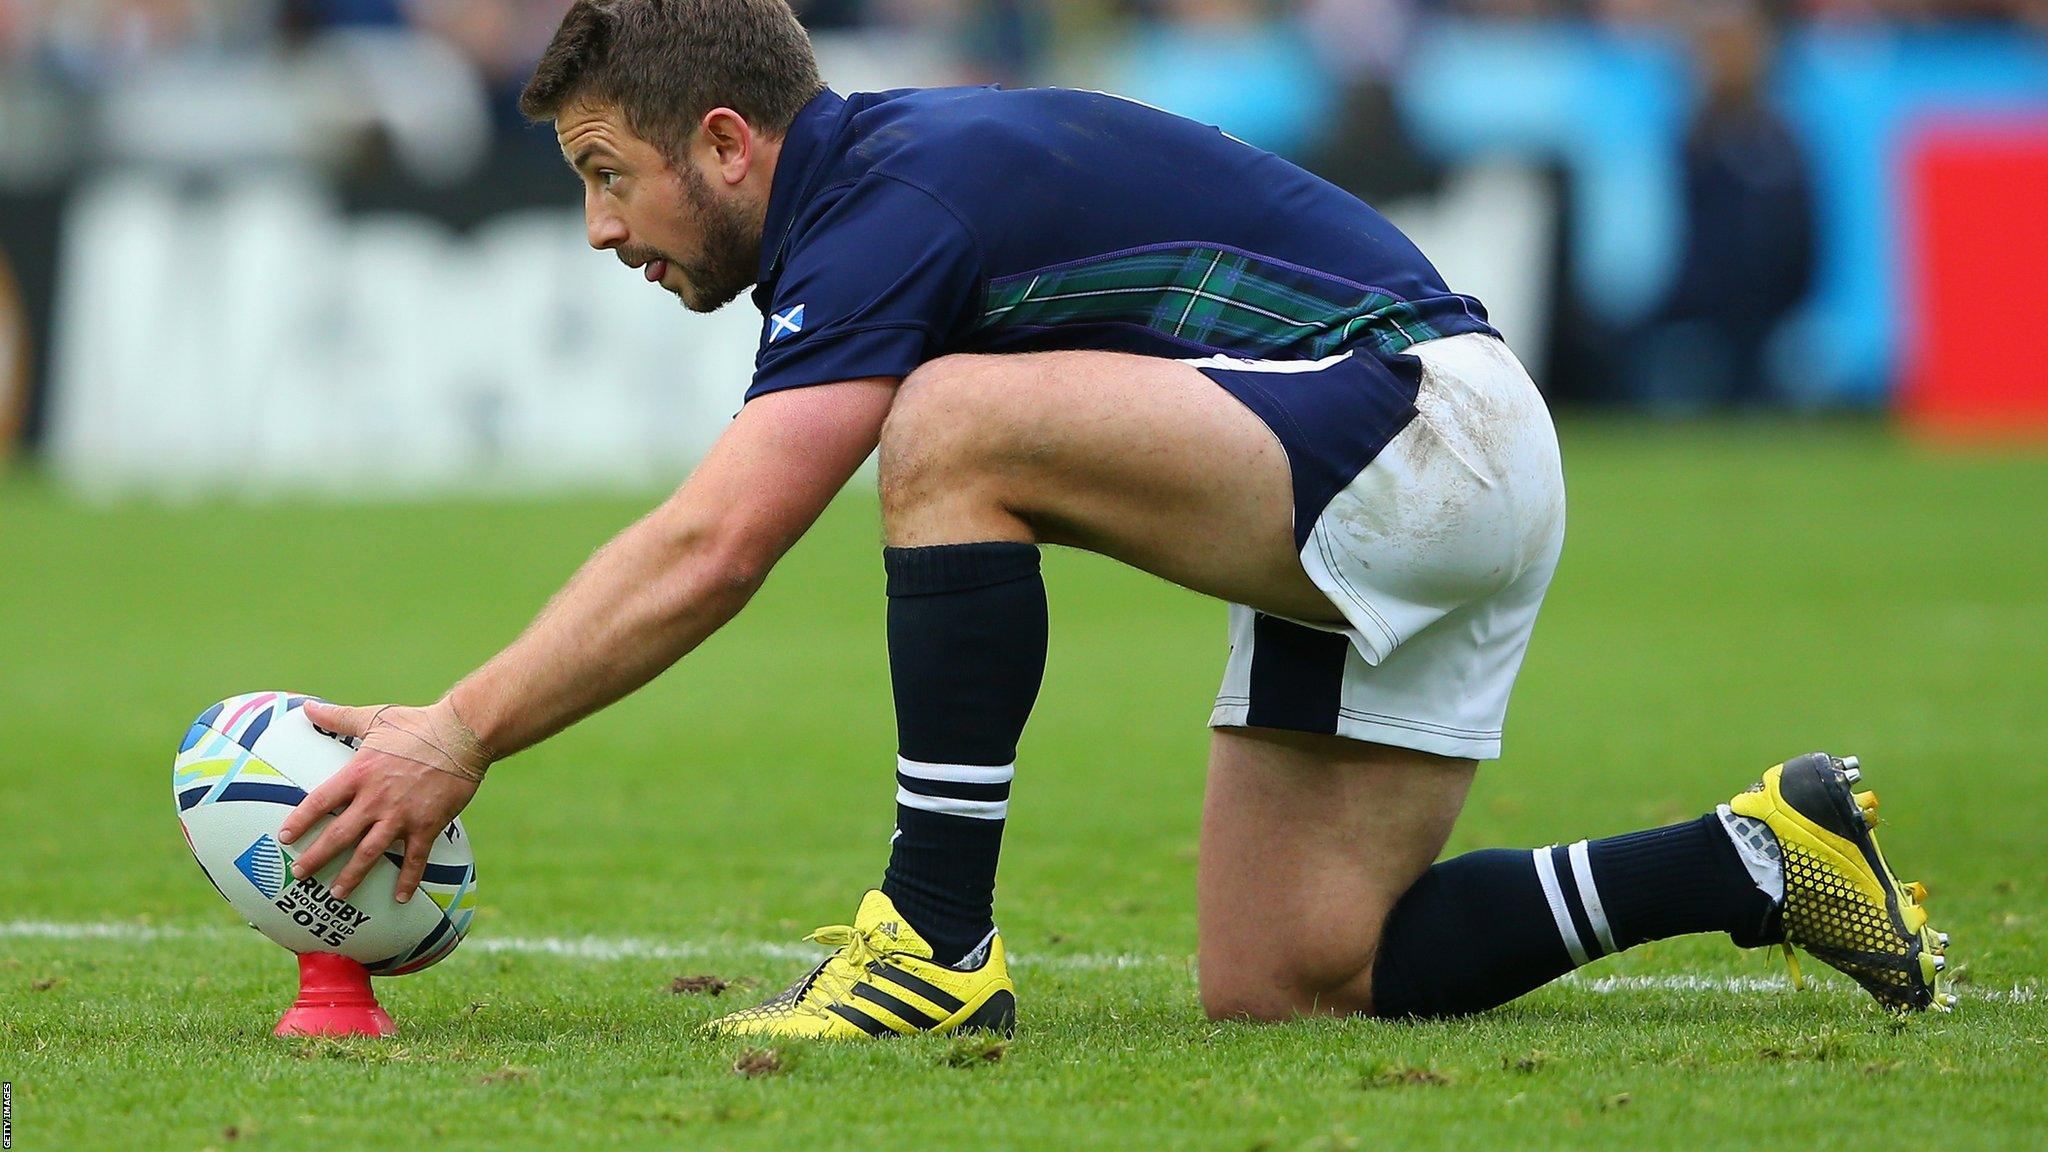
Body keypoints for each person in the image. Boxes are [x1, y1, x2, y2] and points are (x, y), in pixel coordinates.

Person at [276, 0, 1952, 1038]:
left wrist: (462, 731)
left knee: (945, 427)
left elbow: (720, 544)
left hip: (1417, 426)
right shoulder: (889, 185)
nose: (593, 228)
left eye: (603, 171)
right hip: (1419, 458)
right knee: (1294, 978)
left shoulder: (882, 207)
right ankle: (1757, 857)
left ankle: (933, 940)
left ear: (725, 144)